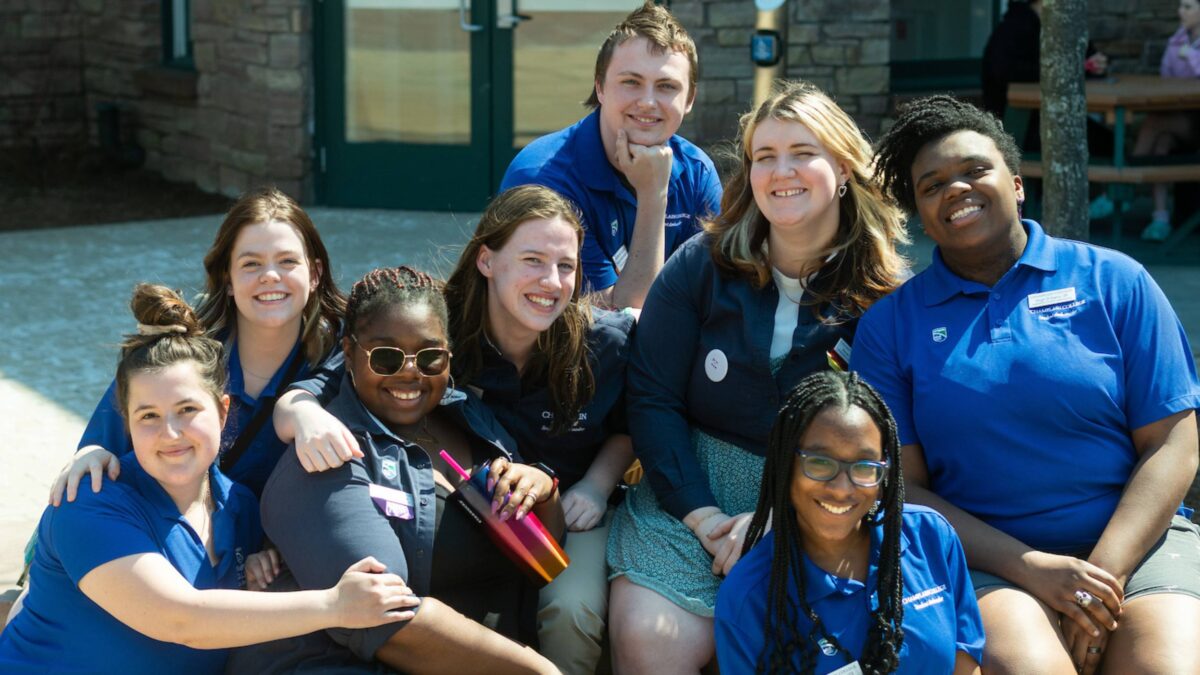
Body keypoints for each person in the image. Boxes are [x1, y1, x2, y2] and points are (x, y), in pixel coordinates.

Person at [860, 94, 1200, 674]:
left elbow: (1175, 443)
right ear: (920, 212)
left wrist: (1101, 579)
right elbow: (904, 490)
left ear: (1016, 184)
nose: (956, 190)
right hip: (985, 560)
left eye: (974, 170)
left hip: (1139, 547)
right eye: (933, 185)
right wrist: (1034, 567)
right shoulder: (891, 325)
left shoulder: (1115, 281)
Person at [605, 81, 909, 674]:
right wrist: (704, 516)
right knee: (651, 639)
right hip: (687, 495)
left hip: (821, 507)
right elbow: (652, 397)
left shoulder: (884, 297)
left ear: (844, 167)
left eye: (802, 152)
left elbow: (880, 442)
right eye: (764, 156)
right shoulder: (701, 262)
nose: (781, 171)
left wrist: (780, 520)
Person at [269, 186, 635, 674]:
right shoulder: (431, 325)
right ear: (487, 260)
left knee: (568, 606)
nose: (550, 280)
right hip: (495, 532)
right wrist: (299, 412)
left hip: (569, 508)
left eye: (565, 266)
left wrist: (585, 484)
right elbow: (331, 378)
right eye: (532, 260)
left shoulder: (601, 343)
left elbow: (637, 423)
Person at [0, 284, 416, 674]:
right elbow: (181, 619)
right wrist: (336, 605)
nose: (171, 433)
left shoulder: (241, 507)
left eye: (187, 410)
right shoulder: (90, 501)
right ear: (126, 422)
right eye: (148, 416)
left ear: (222, 411)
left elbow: (224, 610)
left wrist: (254, 572)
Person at [231, 266, 561, 674]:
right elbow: (387, 620)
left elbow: (543, 555)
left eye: (430, 356)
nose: (410, 371)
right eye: (386, 357)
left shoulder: (469, 418)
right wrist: (539, 671)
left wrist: (544, 489)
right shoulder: (326, 459)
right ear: (349, 354)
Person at [50, 186, 345, 502]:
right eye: (251, 264)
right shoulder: (180, 351)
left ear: (314, 274)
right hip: (166, 534)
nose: (270, 276)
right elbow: (104, 441)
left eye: (287, 261)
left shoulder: (345, 356)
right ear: (227, 279)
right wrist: (90, 454)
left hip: (273, 544)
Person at [715, 371, 984, 675]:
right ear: (786, 463)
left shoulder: (931, 538)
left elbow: (965, 665)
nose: (842, 488)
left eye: (865, 467)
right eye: (819, 462)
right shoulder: (748, 598)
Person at [499, 1, 722, 310]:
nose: (647, 102)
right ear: (600, 87)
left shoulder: (697, 172)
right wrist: (653, 196)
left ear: (689, 100)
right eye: (631, 82)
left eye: (666, 86)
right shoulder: (542, 178)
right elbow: (622, 316)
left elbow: (714, 294)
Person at [1136, 0, 1200, 241]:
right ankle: (1160, 217)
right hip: (1179, 115)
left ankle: (1124, 184)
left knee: (1153, 123)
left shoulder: (1184, 46)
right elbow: (1166, 77)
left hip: (1197, 120)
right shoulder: (1177, 40)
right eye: (1181, 6)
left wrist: (1191, 57)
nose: (1180, 12)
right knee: (1161, 143)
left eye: (1188, 7)